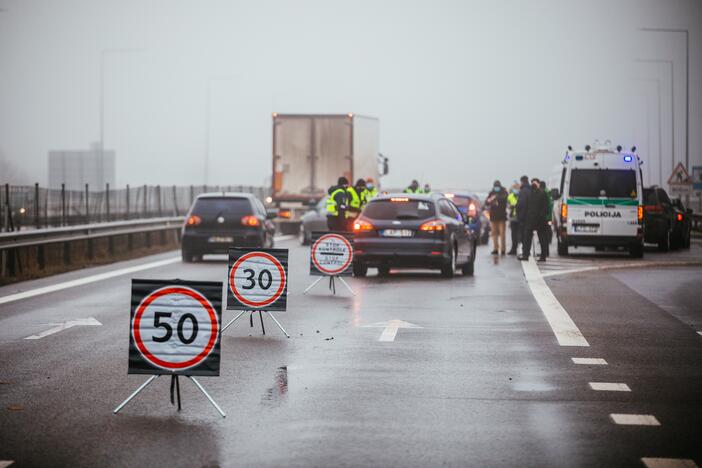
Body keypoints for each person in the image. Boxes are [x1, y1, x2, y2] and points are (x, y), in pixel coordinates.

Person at [519, 178, 549, 262]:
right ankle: (525, 255)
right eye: (532, 183)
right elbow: (526, 206)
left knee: (542, 238)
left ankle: (543, 256)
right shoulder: (530, 193)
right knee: (527, 238)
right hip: (530, 219)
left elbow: (545, 208)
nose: (533, 184)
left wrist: (540, 216)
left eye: (535, 183)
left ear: (538, 184)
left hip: (540, 220)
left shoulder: (543, 193)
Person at [485, 180, 508, 255]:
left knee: (502, 234)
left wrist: (496, 197)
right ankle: (495, 249)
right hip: (493, 216)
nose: (496, 188)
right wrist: (490, 200)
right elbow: (486, 202)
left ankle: (503, 249)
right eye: (495, 187)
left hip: (502, 216)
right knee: (494, 234)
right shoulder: (491, 193)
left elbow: (504, 198)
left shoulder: (504, 192)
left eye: (497, 186)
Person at [515, 175, 531, 251]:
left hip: (524, 217)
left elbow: (521, 204)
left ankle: (525, 253)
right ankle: (526, 252)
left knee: (524, 236)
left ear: (522, 181)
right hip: (529, 216)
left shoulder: (523, 191)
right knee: (527, 236)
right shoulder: (530, 189)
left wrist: (520, 217)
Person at [507, 185, 520, 255]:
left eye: (516, 188)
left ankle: (520, 249)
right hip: (513, 218)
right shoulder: (510, 196)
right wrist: (510, 207)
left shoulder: (521, 195)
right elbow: (507, 205)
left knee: (520, 235)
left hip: (520, 217)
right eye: (514, 189)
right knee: (513, 234)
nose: (515, 190)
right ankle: (513, 248)